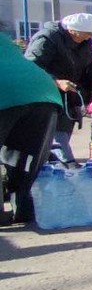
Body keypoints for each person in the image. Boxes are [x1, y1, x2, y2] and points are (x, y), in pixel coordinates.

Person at [24, 12, 92, 164]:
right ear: (72, 30)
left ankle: (56, 166)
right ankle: (67, 166)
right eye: (86, 34)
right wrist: (56, 82)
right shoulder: (47, 38)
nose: (88, 37)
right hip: (47, 97)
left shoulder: (85, 43)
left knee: (62, 134)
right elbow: (31, 68)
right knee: (56, 138)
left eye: (91, 34)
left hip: (71, 98)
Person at [1, 36, 62, 223]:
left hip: (6, 90)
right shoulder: (4, 40)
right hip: (43, 91)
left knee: (17, 156)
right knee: (28, 158)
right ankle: (24, 210)